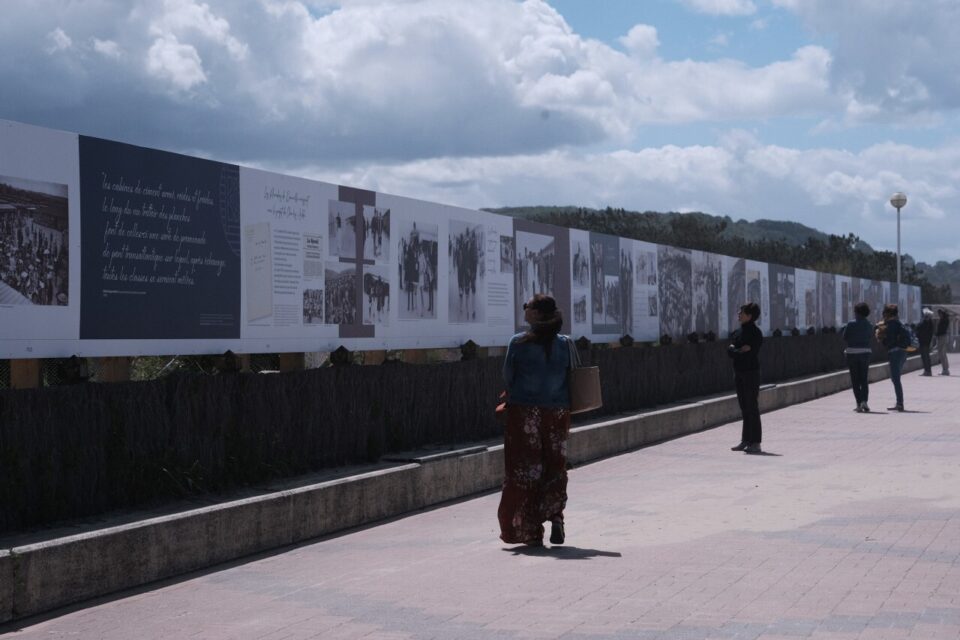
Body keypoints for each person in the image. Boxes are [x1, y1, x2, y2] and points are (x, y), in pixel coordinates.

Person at [498, 294, 571, 547]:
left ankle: (529, 530)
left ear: (537, 314)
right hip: (557, 414)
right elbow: (571, 375)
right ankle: (556, 516)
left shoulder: (518, 343)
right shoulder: (565, 343)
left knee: (525, 469)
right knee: (554, 465)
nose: (524, 310)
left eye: (527, 306)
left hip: (525, 413)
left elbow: (508, 376)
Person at [729, 302, 764, 454]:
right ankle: (745, 440)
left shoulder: (756, 333)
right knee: (744, 407)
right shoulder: (737, 332)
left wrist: (736, 350)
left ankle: (755, 442)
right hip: (738, 372)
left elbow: (750, 352)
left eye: (742, 312)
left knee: (752, 407)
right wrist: (738, 350)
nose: (739, 314)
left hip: (751, 373)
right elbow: (730, 351)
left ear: (749, 316)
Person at [842, 302, 874, 412]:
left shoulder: (850, 324)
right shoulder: (869, 325)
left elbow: (845, 337)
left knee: (855, 380)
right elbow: (870, 337)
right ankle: (865, 401)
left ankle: (859, 403)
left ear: (857, 312)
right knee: (864, 379)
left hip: (852, 353)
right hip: (865, 353)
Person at [876, 303, 908, 411]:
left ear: (888, 313)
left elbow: (889, 341)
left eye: (884, 313)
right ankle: (899, 402)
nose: (883, 315)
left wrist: (881, 338)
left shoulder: (890, 325)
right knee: (895, 378)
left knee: (895, 378)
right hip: (903, 352)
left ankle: (900, 403)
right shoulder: (899, 323)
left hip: (894, 353)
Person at [917, 308, 935, 376]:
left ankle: (927, 371)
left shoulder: (925, 323)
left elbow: (919, 329)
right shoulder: (929, 323)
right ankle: (927, 370)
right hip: (926, 342)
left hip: (924, 342)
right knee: (926, 357)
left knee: (925, 357)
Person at [935, 308, 951, 376]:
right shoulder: (945, 319)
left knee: (941, 353)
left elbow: (941, 329)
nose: (939, 316)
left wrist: (937, 334)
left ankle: (945, 369)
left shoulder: (944, 320)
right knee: (943, 353)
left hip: (941, 337)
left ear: (941, 313)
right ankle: (945, 369)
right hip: (942, 336)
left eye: (939, 314)